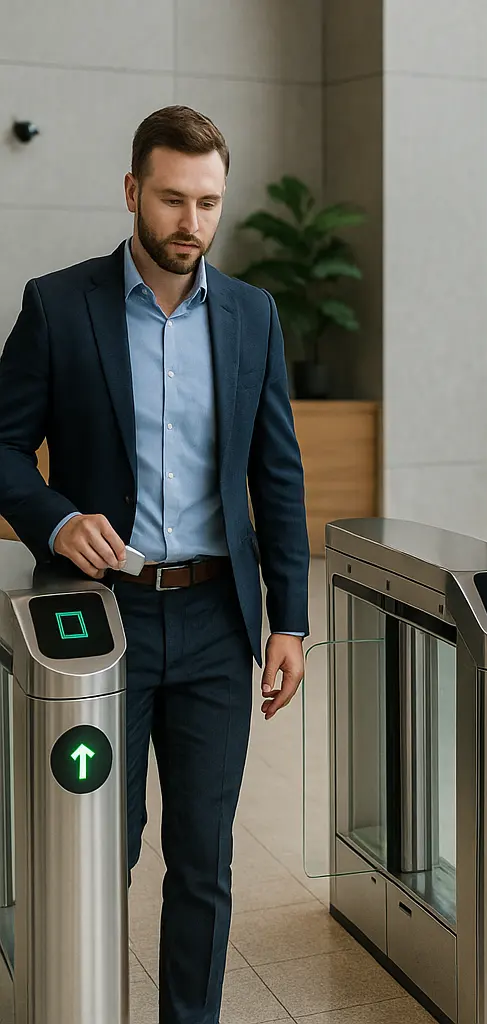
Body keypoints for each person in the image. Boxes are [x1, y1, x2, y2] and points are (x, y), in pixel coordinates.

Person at [0, 105, 308, 1023]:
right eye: (173, 199)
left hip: (216, 621)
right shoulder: (59, 305)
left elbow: (277, 476)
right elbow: (3, 448)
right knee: (104, 845)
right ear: (132, 190)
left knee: (205, 857)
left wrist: (289, 621)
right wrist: (57, 521)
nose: (191, 222)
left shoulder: (253, 314)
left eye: (208, 202)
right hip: (103, 622)